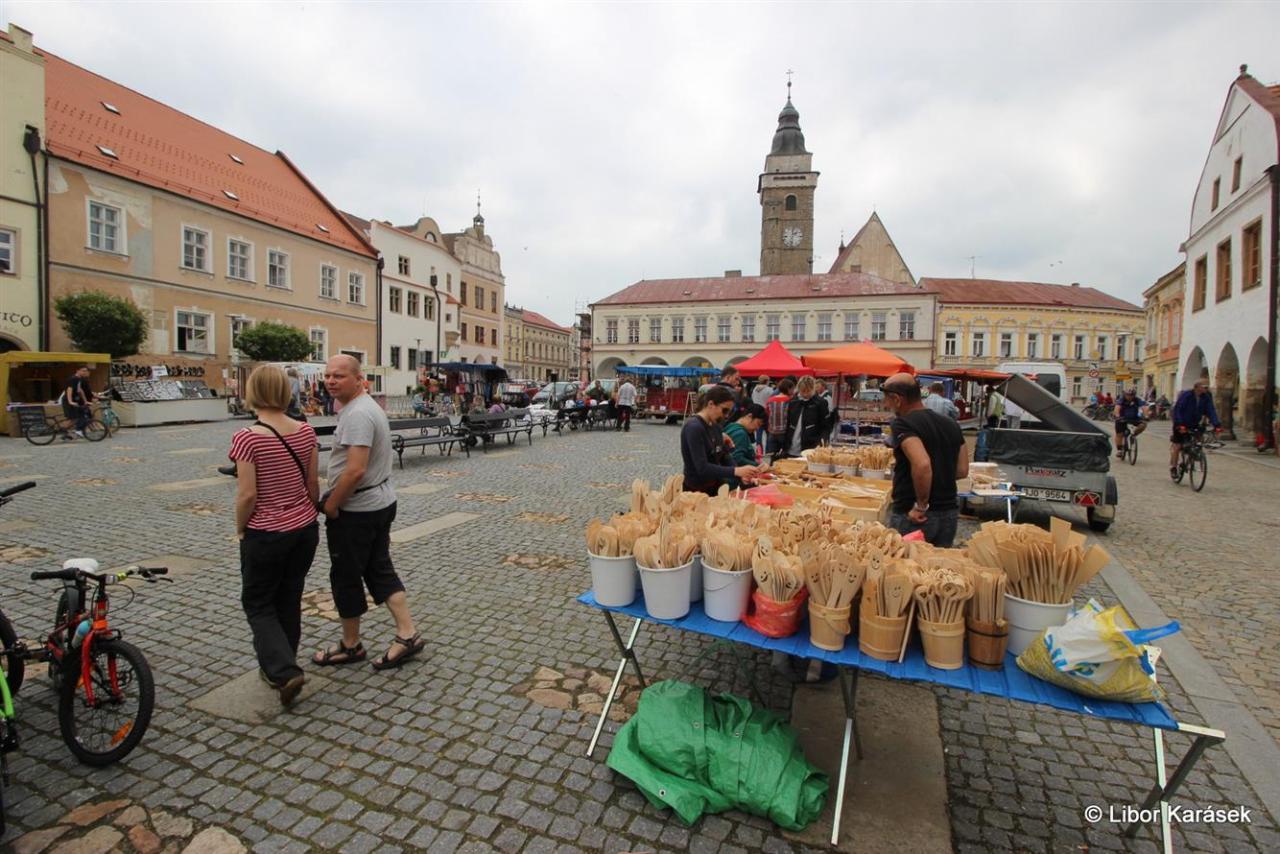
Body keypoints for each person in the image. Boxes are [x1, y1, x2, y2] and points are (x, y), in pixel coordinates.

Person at [313, 355, 424, 670]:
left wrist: (332, 505)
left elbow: (355, 470)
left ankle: (351, 645)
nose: (331, 381)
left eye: (339, 376)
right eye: (328, 375)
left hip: (358, 508)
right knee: (379, 568)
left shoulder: (358, 413)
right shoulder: (363, 407)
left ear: (359, 378)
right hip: (378, 501)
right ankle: (407, 633)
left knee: (346, 576)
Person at [227, 365, 319, 707]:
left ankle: (283, 670)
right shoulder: (305, 431)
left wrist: (240, 526)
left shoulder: (247, 437)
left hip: (266, 532)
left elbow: (247, 494)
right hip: (304, 529)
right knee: (289, 597)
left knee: (258, 602)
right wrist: (308, 512)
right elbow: (312, 483)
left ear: (252, 392)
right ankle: (283, 664)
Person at [883, 372, 968, 547]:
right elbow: (962, 470)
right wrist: (940, 474)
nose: (886, 404)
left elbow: (922, 464)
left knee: (903, 563)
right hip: (948, 513)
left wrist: (921, 505)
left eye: (887, 399)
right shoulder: (951, 424)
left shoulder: (903, 423)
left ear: (897, 399)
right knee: (937, 563)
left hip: (915, 514)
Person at [681, 386, 760, 495]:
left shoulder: (715, 425)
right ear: (711, 404)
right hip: (695, 491)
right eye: (725, 410)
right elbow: (702, 468)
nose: (726, 415)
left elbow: (723, 456)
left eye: (730, 412)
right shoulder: (694, 427)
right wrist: (736, 471)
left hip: (715, 486)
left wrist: (740, 474)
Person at [1169, 379, 1222, 477]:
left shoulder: (1206, 397)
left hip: (1194, 423)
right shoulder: (1186, 395)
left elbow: (1211, 411)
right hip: (1181, 423)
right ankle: (1173, 467)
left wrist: (1217, 425)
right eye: (1204, 387)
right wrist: (1180, 424)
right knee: (1178, 445)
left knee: (1198, 441)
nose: (1206, 388)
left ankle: (1192, 457)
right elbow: (1178, 410)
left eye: (1207, 387)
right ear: (1197, 387)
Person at [780, 376, 830, 459]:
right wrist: (783, 443)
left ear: (813, 389)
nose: (805, 394)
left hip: (810, 448)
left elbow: (825, 427)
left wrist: (822, 444)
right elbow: (788, 424)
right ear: (799, 389)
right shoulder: (793, 402)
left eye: (808, 391)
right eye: (803, 391)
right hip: (791, 447)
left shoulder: (820, 403)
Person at [723, 403, 767, 488]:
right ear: (749, 416)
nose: (757, 428)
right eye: (758, 423)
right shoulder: (740, 433)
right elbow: (737, 458)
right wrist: (758, 465)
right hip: (733, 481)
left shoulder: (732, 426)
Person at [764, 378, 795, 458]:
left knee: (773, 456)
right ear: (788, 389)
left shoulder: (770, 400)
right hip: (784, 432)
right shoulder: (790, 401)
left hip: (772, 432)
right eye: (792, 388)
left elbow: (767, 413)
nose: (793, 391)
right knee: (784, 457)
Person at [1112, 388, 1148, 457]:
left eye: (1131, 395)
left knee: (1143, 425)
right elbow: (1117, 408)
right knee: (1119, 434)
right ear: (1124, 395)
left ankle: (1133, 435)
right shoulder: (1121, 399)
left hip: (1134, 418)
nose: (1129, 396)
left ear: (1134, 395)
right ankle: (1119, 450)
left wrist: (1146, 415)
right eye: (1127, 395)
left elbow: (1144, 407)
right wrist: (1117, 416)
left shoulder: (1137, 400)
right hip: (1122, 418)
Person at [61, 366, 95, 437]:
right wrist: (70, 401)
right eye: (83, 371)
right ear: (77, 371)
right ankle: (63, 430)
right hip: (67, 400)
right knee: (73, 418)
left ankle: (68, 431)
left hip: (75, 400)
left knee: (77, 417)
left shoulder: (79, 379)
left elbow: (80, 391)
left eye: (85, 371)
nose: (84, 372)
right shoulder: (74, 379)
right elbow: (69, 389)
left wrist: (85, 401)